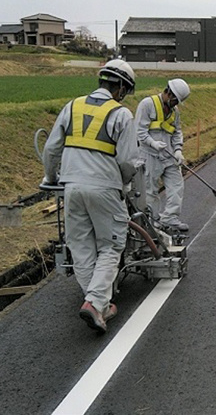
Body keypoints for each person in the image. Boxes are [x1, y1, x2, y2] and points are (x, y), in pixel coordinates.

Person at [42, 59, 138, 332]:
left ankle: (99, 304)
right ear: (119, 87)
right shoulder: (121, 114)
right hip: (105, 187)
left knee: (81, 246)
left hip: (71, 187)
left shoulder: (72, 106)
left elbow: (51, 149)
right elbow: (129, 161)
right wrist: (125, 184)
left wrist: (51, 178)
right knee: (111, 245)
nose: (123, 95)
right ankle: (95, 303)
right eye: (125, 90)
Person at [135, 78, 191, 231]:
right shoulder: (147, 105)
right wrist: (153, 143)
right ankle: (152, 222)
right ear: (169, 93)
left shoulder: (174, 112)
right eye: (175, 101)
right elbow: (139, 131)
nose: (176, 104)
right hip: (149, 155)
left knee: (176, 185)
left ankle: (170, 218)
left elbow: (177, 131)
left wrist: (178, 149)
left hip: (169, 155)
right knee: (149, 191)